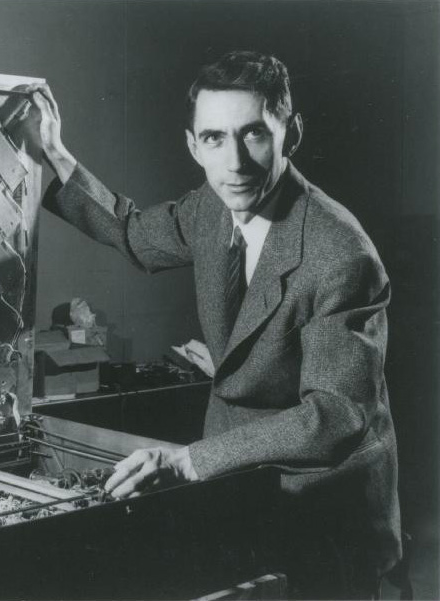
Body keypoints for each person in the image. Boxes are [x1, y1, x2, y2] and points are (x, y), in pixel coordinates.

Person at [26, 51, 401, 599]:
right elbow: (133, 232)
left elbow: (334, 416)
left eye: (253, 134)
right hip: (239, 485)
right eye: (214, 139)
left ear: (290, 132)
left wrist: (188, 461)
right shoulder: (210, 208)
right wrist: (53, 152)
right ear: (192, 145)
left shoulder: (340, 251)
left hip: (325, 506)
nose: (235, 164)